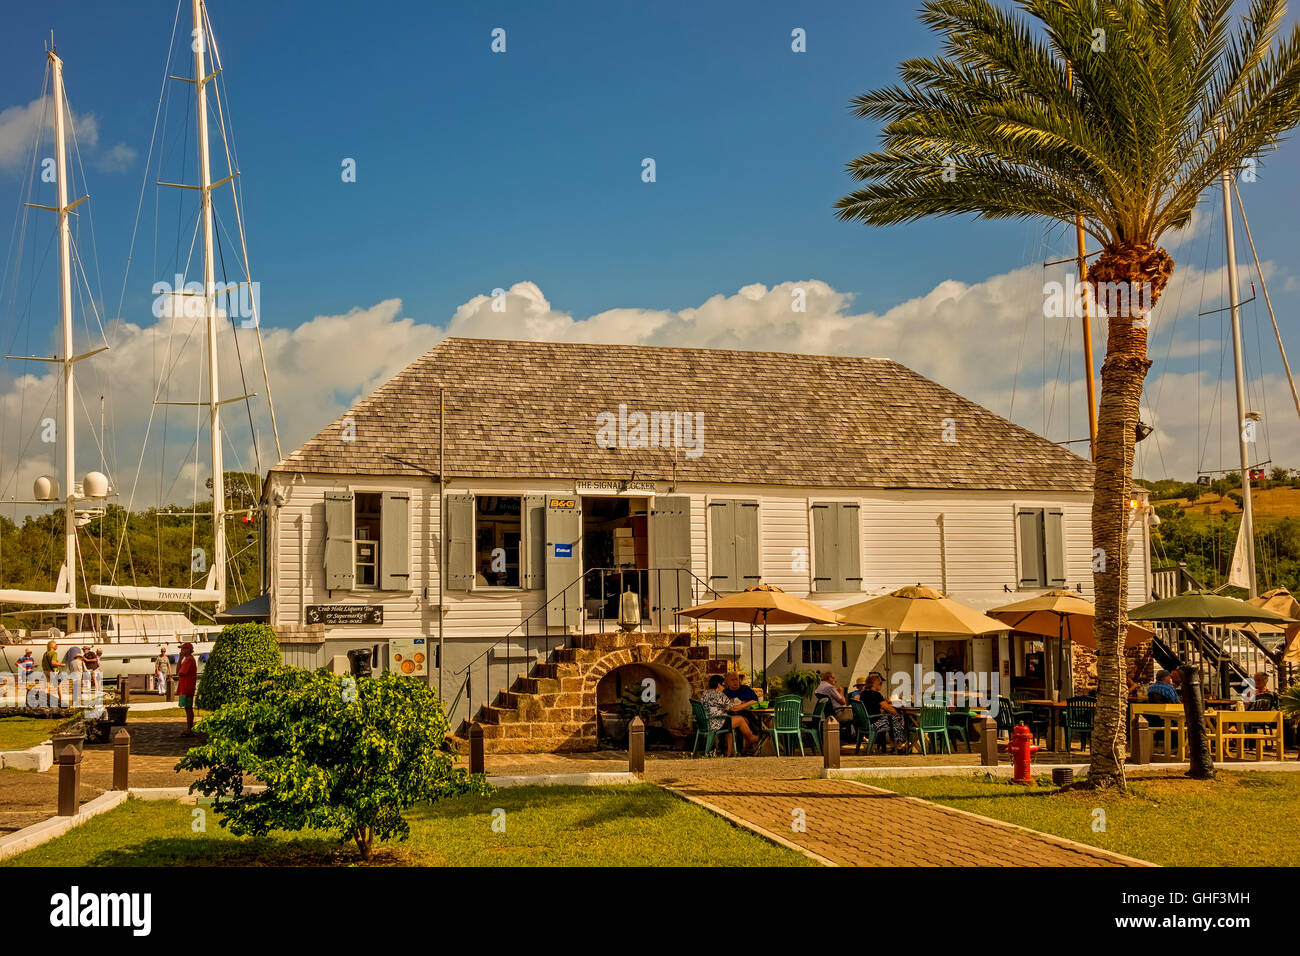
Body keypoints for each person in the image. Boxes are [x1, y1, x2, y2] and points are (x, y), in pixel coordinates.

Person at [701, 674, 757, 756]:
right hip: (717, 722)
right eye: (723, 684)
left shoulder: (705, 694)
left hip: (706, 722)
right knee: (740, 719)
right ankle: (751, 738)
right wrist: (749, 702)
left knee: (734, 721)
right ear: (718, 685)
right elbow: (733, 708)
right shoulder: (719, 695)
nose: (724, 687)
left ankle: (729, 752)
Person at [859, 673, 909, 754]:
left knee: (892, 718)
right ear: (875, 684)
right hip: (874, 723)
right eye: (880, 684)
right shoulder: (876, 694)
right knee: (896, 718)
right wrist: (899, 714)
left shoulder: (863, 693)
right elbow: (887, 708)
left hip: (866, 722)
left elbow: (876, 704)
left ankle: (895, 744)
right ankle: (900, 744)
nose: (881, 686)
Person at [176, 642, 198, 737]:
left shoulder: (188, 660)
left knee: (188, 708)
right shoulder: (189, 659)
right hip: (187, 687)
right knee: (188, 708)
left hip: (186, 687)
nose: (181, 651)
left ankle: (189, 729)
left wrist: (180, 658)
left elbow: (179, 672)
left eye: (183, 649)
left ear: (188, 650)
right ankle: (189, 729)